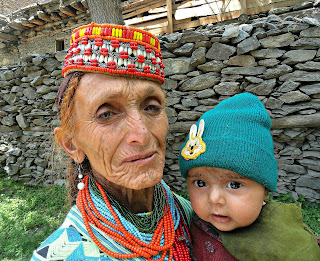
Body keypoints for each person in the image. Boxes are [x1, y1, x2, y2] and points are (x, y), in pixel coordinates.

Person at [31, 22, 193, 261]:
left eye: (151, 107)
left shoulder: (188, 214)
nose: (143, 133)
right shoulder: (59, 255)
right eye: (106, 114)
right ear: (72, 144)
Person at [179, 93, 320, 261]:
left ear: (265, 189)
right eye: (200, 183)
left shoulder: (291, 247)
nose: (214, 199)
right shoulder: (189, 223)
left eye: (234, 185)